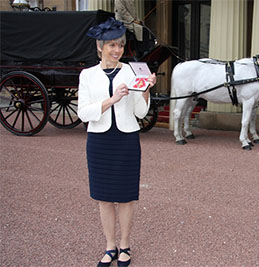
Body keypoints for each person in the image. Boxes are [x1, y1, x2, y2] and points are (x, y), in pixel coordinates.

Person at [78, 17, 156, 267]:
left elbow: (141, 113)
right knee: (103, 198)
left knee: (125, 198)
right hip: (100, 141)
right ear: (100, 47)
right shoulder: (87, 75)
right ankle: (109, 246)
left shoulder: (132, 71)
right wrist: (111, 100)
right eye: (111, 45)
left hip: (126, 139)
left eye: (120, 45)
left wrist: (145, 90)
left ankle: (125, 245)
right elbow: (83, 112)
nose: (117, 50)